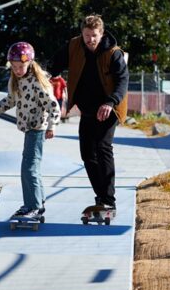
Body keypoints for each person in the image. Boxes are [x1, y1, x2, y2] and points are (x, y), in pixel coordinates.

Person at [50, 14, 128, 211]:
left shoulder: (113, 53)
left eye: (94, 35)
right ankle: (101, 197)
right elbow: (55, 64)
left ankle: (109, 200)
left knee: (102, 148)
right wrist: (46, 74)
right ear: (82, 34)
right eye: (87, 35)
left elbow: (122, 81)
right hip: (87, 110)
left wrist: (110, 102)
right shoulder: (74, 46)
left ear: (101, 34)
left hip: (109, 109)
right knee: (87, 154)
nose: (90, 40)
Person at [0, 42, 61, 219]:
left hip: (38, 128)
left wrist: (52, 126)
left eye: (21, 66)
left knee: (29, 168)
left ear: (29, 63)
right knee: (31, 167)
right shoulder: (18, 81)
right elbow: (11, 100)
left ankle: (34, 206)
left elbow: (54, 106)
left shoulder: (38, 82)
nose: (17, 70)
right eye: (14, 67)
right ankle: (38, 202)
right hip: (29, 129)